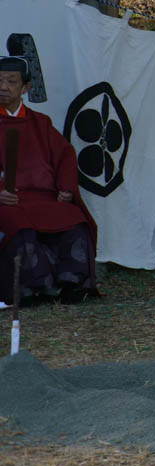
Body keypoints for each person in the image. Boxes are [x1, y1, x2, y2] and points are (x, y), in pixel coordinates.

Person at [0, 57, 97, 305]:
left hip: (43, 197)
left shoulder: (40, 123)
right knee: (19, 226)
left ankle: (73, 284)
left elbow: (65, 154)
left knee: (73, 219)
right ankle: (31, 289)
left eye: (11, 81)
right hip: (8, 200)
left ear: (26, 88)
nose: (3, 86)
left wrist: (65, 188)